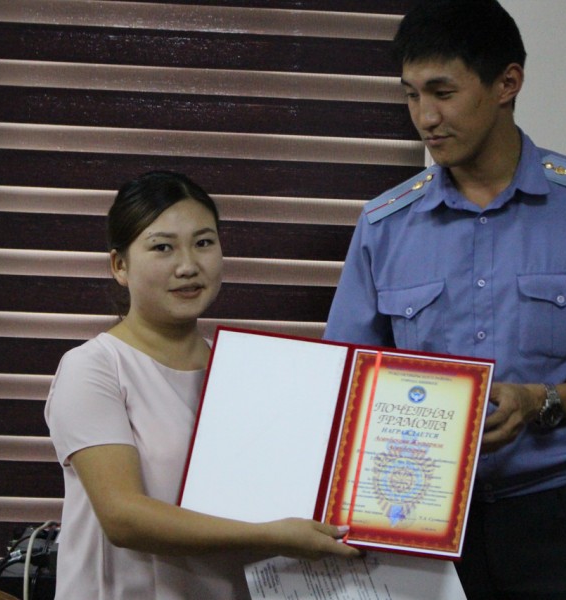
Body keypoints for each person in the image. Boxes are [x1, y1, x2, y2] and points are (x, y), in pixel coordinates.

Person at [323, 1, 566, 598]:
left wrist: (542, 400)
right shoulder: (384, 224)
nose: (425, 117)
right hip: (424, 523)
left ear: (506, 83)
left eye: (443, 92)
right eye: (411, 95)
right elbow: (343, 383)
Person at [45, 171, 359, 599]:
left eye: (204, 242)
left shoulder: (242, 371)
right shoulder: (95, 368)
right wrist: (271, 535)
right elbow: (123, 518)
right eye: (162, 247)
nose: (188, 266)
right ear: (120, 265)